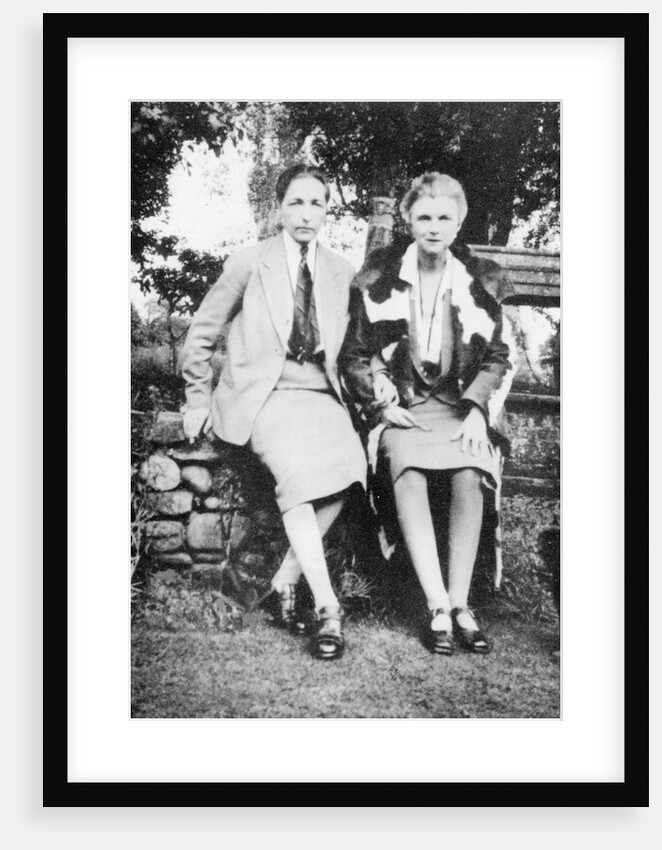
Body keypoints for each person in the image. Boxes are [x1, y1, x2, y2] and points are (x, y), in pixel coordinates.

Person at [180, 163, 367, 660]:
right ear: (278, 208)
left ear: (328, 211)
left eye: (317, 203)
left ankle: (285, 579)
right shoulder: (249, 262)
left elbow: (356, 349)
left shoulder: (341, 271)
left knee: (352, 469)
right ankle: (328, 607)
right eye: (296, 202)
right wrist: (197, 397)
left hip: (320, 395)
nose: (307, 214)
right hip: (266, 396)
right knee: (299, 477)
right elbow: (202, 333)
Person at [340, 172, 516, 655]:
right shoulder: (379, 276)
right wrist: (378, 398)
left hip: (461, 408)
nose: (434, 227)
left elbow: (500, 356)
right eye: (424, 217)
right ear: (408, 220)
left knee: (470, 468)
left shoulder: (481, 279)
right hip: (406, 409)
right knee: (407, 466)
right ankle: (436, 604)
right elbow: (353, 354)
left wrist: (479, 411)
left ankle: (462, 605)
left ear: (459, 223)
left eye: (444, 217)